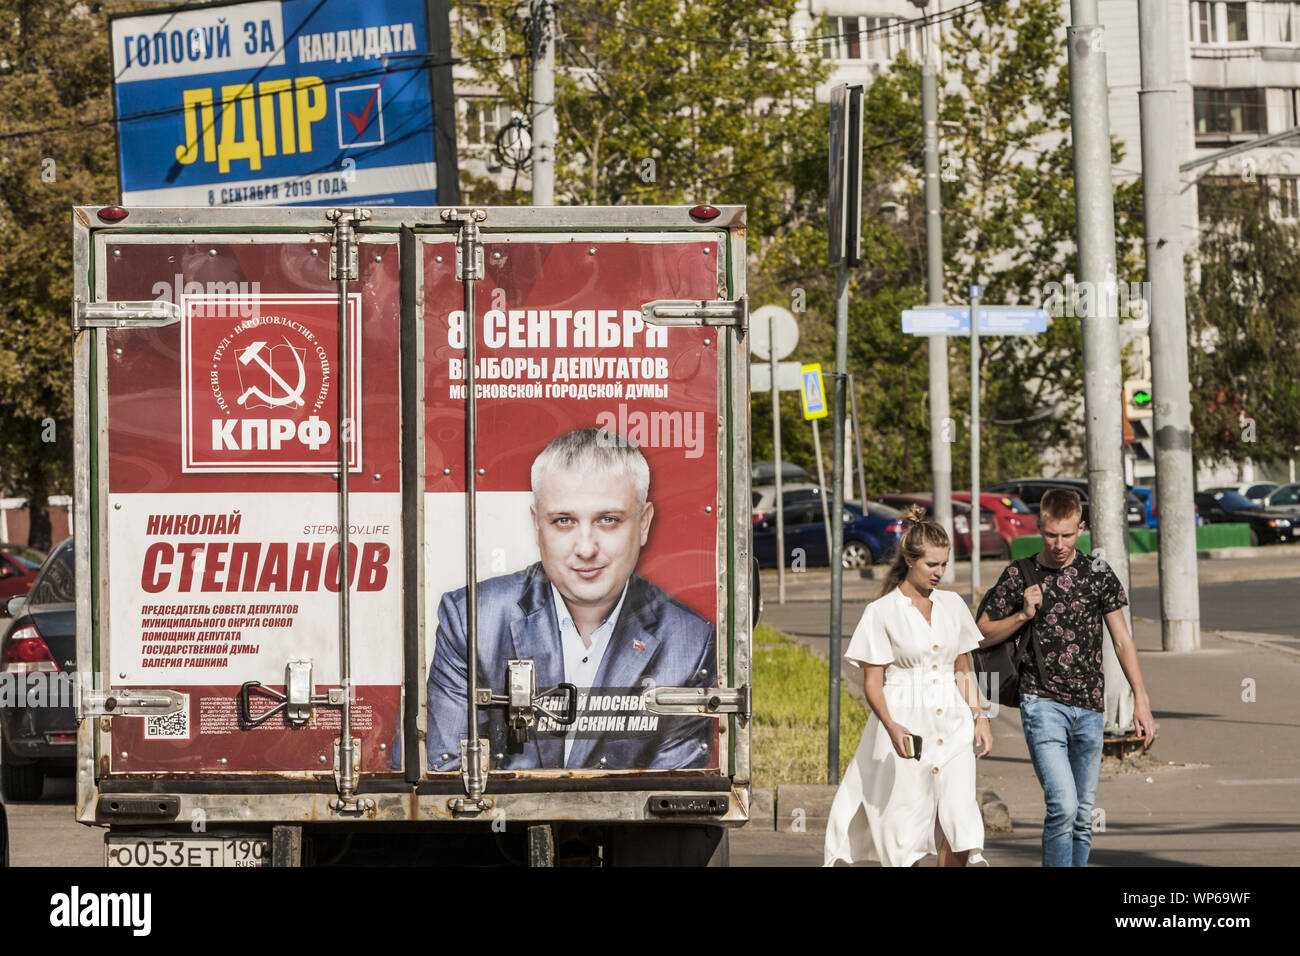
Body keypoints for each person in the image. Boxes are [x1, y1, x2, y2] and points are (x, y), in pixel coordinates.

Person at [425, 427, 716, 772]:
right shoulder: (473, 618)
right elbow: (442, 776)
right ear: (537, 526)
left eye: (608, 520)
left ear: (644, 524)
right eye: (564, 521)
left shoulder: (688, 640)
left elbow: (670, 794)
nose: (586, 548)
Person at [976, 487, 1156, 867]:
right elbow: (982, 633)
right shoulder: (1018, 574)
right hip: (1041, 703)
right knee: (1063, 806)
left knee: (1083, 816)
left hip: (1090, 708)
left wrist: (1141, 698)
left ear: (1082, 528)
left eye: (1068, 535)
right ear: (1040, 527)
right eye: (1051, 534)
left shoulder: (1097, 573)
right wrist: (1023, 614)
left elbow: (1122, 641)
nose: (1059, 544)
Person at [824, 505, 993, 867]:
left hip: (953, 724)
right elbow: (873, 682)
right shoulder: (882, 612)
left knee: (961, 821)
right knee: (906, 828)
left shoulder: (952, 604)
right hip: (906, 726)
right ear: (910, 559)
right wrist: (890, 725)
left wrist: (980, 716)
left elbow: (962, 666)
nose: (940, 573)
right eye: (932, 564)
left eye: (945, 564)